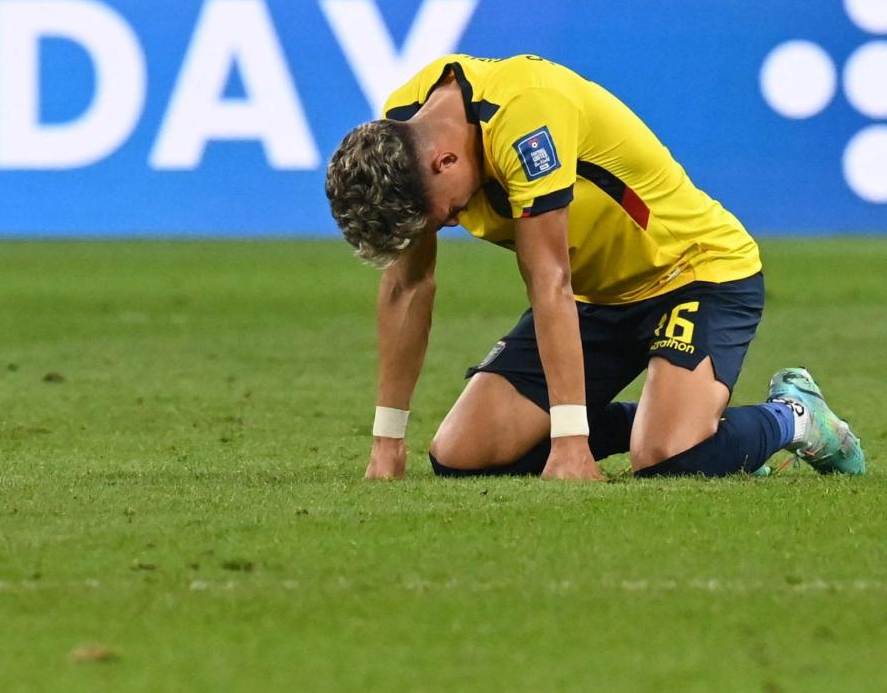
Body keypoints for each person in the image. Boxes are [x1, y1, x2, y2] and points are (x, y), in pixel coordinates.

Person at [323, 54, 865, 480]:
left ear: (445, 161)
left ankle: (794, 416)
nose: (444, 225)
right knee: (462, 454)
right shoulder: (402, 134)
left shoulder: (525, 121)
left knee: (667, 457)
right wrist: (387, 441)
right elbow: (407, 285)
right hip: (596, 297)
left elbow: (549, 280)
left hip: (694, 272)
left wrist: (571, 443)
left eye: (440, 213)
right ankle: (666, 416)